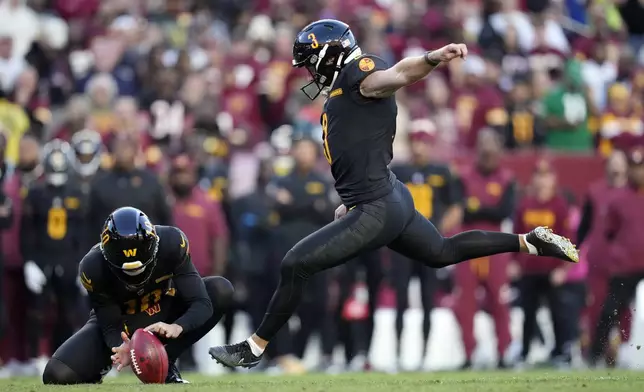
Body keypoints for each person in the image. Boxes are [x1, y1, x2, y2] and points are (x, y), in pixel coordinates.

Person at [209, 19, 578, 369]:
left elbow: (398, 74)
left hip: (378, 205)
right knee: (441, 252)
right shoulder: (344, 87)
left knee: (294, 263)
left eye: (311, 63)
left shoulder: (360, 74)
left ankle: (254, 347)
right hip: (388, 198)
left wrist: (433, 58)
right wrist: (350, 204)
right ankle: (528, 241)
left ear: (330, 55)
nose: (309, 72)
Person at [41, 207, 234, 384]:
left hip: (164, 312)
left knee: (220, 289)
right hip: (125, 322)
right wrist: (123, 346)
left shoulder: (172, 243)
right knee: (57, 374)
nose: (137, 276)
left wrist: (178, 326)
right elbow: (109, 323)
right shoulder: (93, 267)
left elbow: (201, 302)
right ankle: (100, 369)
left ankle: (167, 361)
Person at [389, 128, 462, 371]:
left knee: (428, 298)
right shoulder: (398, 171)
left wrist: (437, 231)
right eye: (415, 142)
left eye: (423, 142)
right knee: (400, 299)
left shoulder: (441, 171)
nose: (418, 147)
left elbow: (455, 208)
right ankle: (398, 354)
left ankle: (425, 354)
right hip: (402, 243)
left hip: (428, 244)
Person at [21, 140, 87, 373]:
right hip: (42, 259)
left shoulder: (77, 193)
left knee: (69, 312)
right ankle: (35, 357)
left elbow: (83, 232)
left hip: (69, 260)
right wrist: (29, 261)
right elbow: (27, 230)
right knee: (37, 311)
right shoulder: (36, 193)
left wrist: (82, 263)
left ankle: (64, 357)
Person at [452, 129, 515, 369]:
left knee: (500, 301)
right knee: (465, 303)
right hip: (468, 247)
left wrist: (476, 208)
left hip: (495, 249)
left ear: (499, 150)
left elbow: (504, 211)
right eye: (483, 145)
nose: (487, 151)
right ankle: (469, 353)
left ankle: (504, 352)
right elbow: (460, 209)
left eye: (491, 146)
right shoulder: (464, 177)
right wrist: (483, 209)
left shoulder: (507, 179)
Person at [513, 160, 574, 367]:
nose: (542, 180)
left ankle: (561, 352)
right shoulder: (525, 205)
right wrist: (514, 261)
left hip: (552, 269)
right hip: (529, 268)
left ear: (553, 179)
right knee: (527, 313)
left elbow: (567, 239)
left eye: (546, 175)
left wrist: (564, 269)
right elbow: (516, 235)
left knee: (558, 312)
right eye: (538, 175)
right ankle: (525, 352)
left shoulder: (559, 205)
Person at [590, 147, 644, 366]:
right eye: (634, 168)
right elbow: (610, 232)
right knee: (610, 310)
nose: (638, 173)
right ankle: (595, 356)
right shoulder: (618, 199)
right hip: (627, 264)